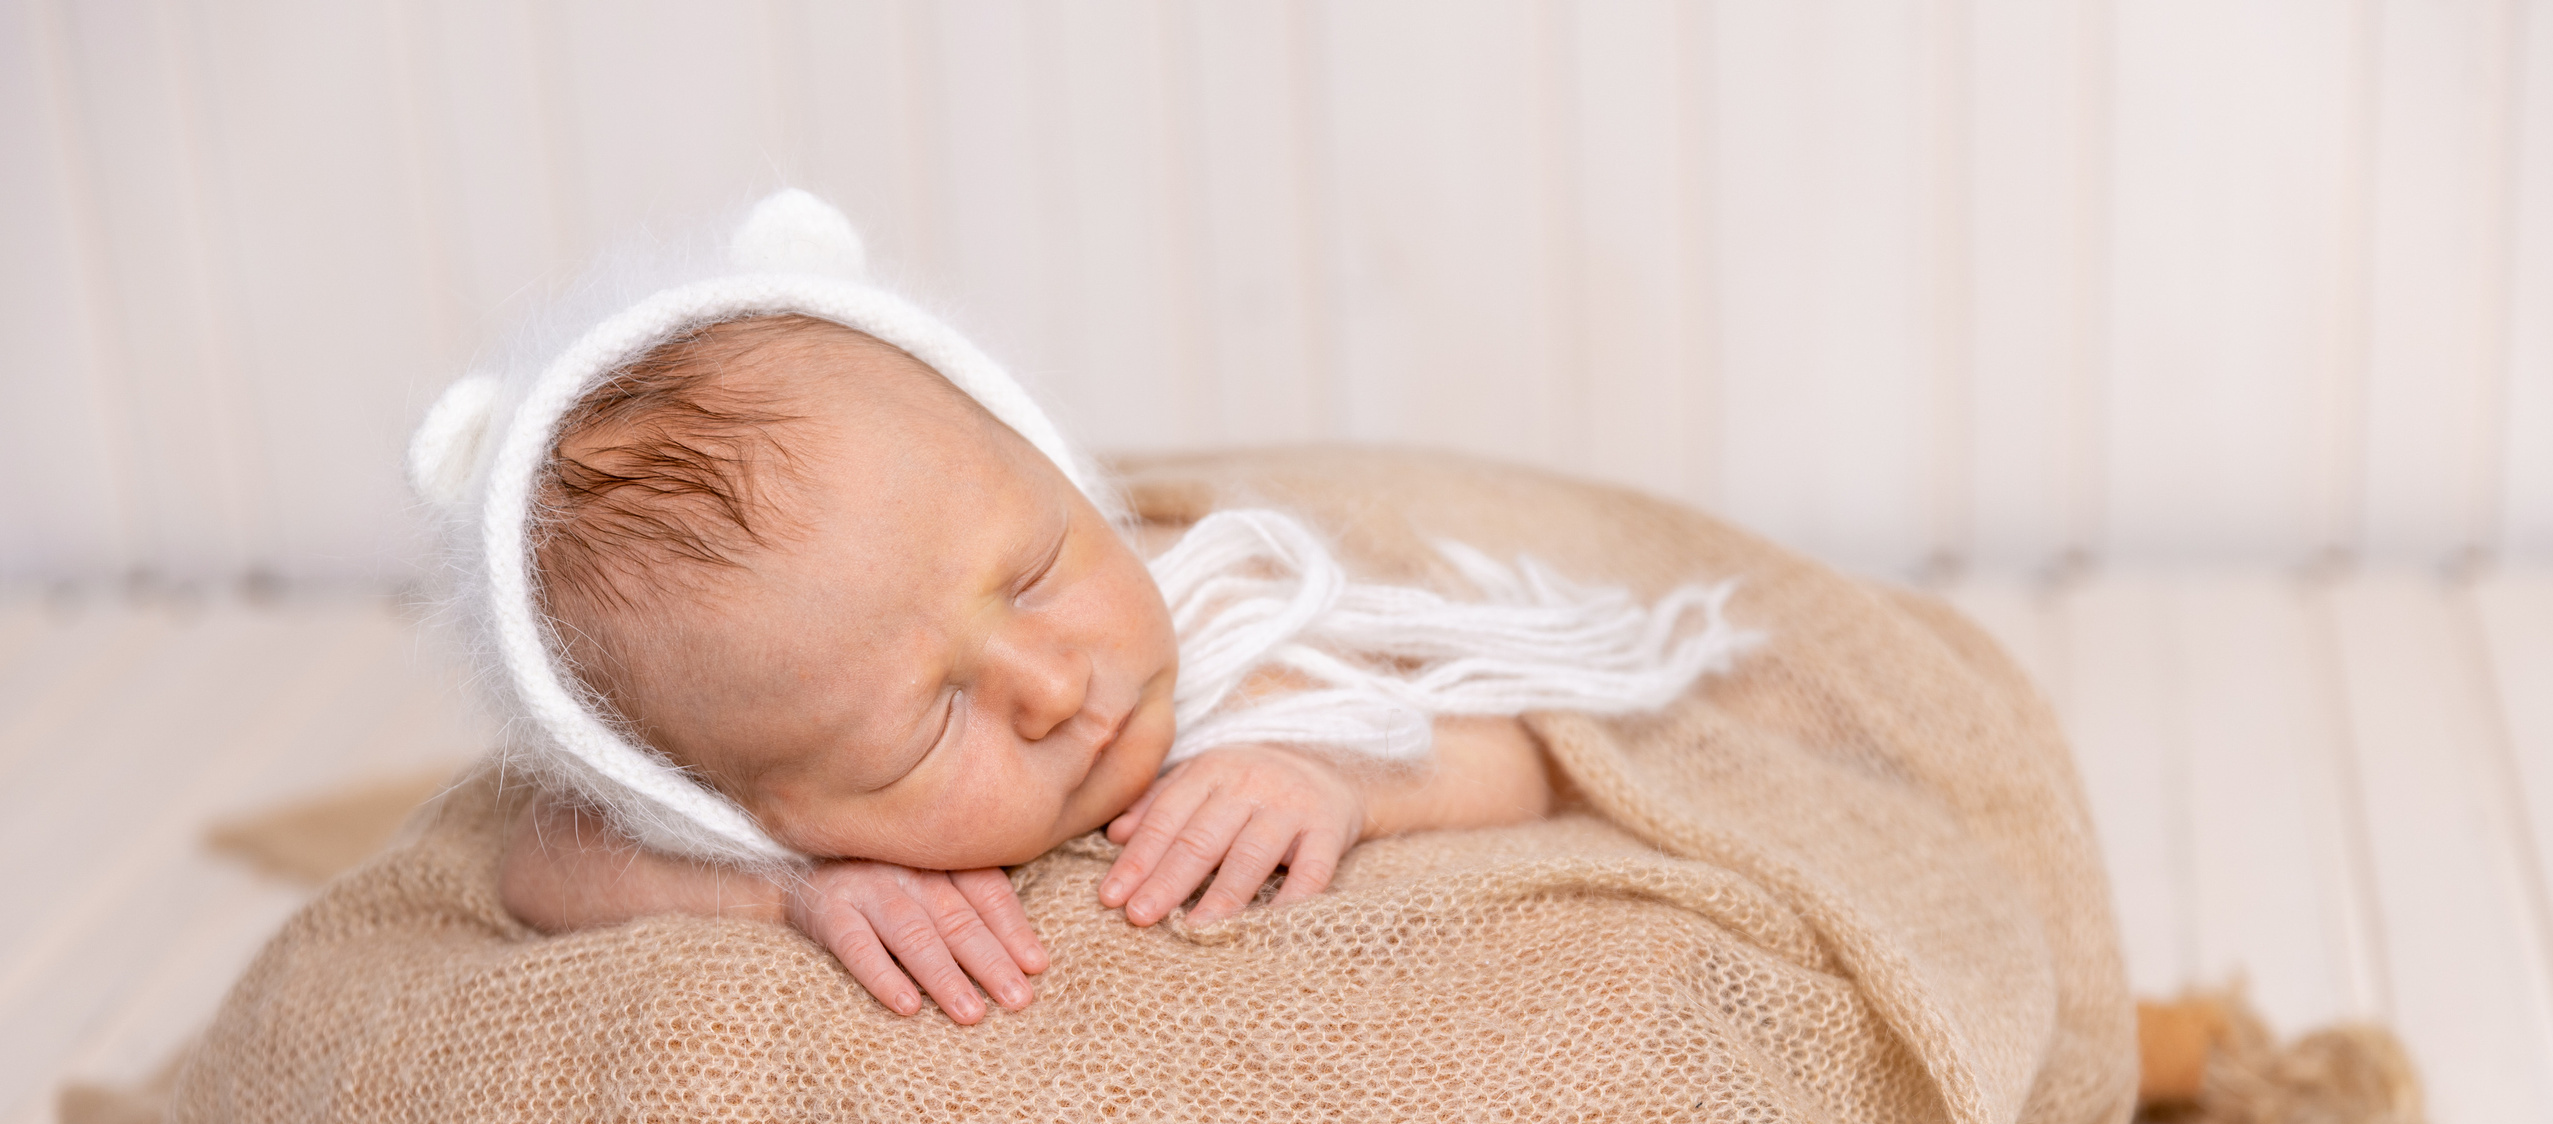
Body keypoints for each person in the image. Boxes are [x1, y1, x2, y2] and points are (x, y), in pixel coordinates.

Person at [409, 192, 1751, 1024]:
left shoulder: (1242, 634)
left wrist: (1335, 776)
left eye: (1039, 569)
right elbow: (537, 862)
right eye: (925, 724)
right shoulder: (752, 841)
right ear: (737, 807)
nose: (1052, 683)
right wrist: (793, 901)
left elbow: (1533, 751)